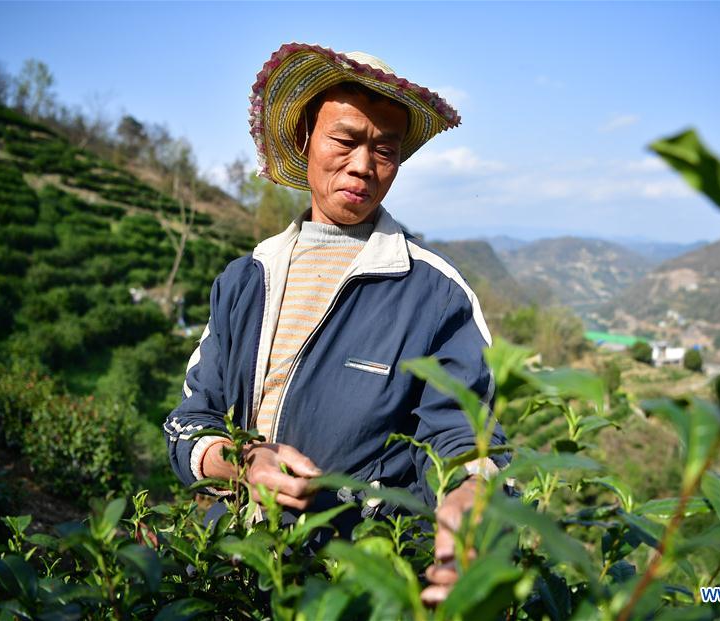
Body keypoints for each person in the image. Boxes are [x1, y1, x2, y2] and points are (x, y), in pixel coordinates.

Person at [163, 42, 508, 605]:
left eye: (385, 151)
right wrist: (243, 461)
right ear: (305, 139)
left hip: (352, 584)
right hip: (231, 575)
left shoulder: (434, 295)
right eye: (344, 140)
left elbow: (462, 437)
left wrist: (469, 495)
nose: (362, 166)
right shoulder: (246, 279)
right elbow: (189, 423)